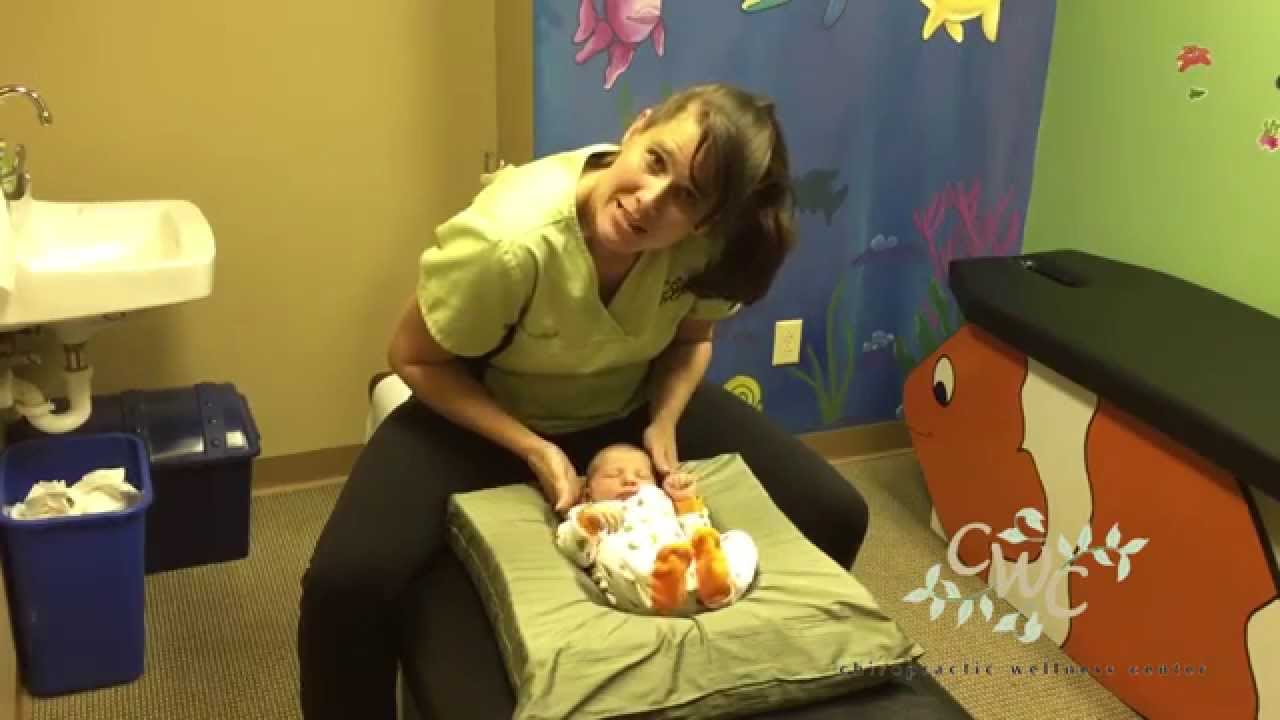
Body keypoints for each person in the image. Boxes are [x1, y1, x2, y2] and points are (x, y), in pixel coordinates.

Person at [297, 82, 870, 720]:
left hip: (630, 404)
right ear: (638, 128)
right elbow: (414, 357)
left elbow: (692, 340)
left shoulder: (708, 247)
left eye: (686, 196)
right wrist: (534, 449)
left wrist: (664, 421)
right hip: (488, 412)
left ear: (708, 219)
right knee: (344, 585)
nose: (650, 201)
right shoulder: (509, 239)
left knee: (834, 511)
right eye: (655, 160)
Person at [555, 443, 758, 615]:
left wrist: (685, 501)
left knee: (739, 540)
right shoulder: (590, 512)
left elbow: (698, 533)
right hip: (642, 589)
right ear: (588, 493)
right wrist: (588, 523)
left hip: (692, 577)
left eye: (642, 475)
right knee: (614, 552)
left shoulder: (661, 501)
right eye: (613, 475)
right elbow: (573, 549)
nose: (630, 480)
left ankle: (717, 586)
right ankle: (666, 588)